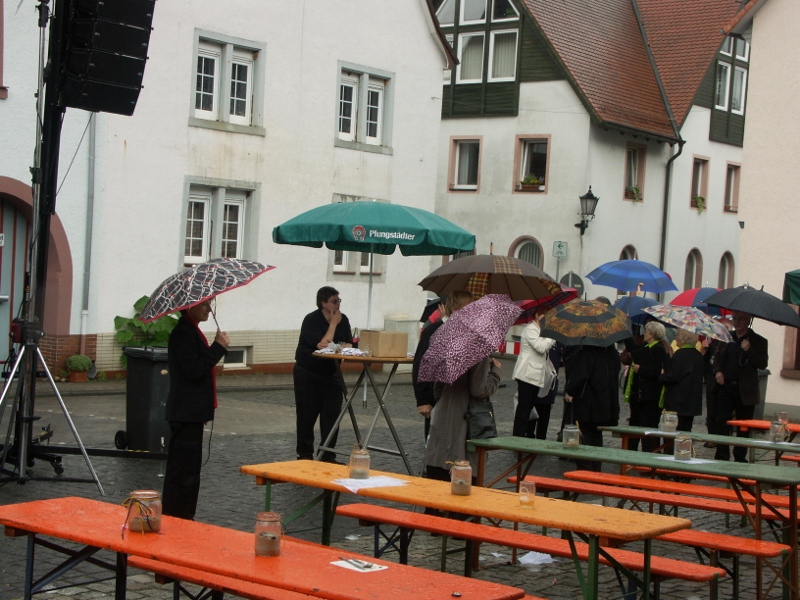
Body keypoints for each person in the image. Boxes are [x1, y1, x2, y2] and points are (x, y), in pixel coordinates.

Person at [162, 299, 229, 521]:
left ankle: (184, 515)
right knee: (183, 472)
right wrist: (218, 346)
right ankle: (177, 516)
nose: (208, 309)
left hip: (192, 412)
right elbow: (195, 370)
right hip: (185, 413)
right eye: (204, 305)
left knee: (189, 471)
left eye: (209, 304)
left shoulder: (191, 331)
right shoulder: (183, 333)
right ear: (189, 307)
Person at [293, 286, 353, 462]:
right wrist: (333, 324)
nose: (338, 304)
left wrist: (337, 344)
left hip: (331, 372)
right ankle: (304, 454)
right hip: (308, 372)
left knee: (332, 415)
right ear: (323, 303)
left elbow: (348, 344)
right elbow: (323, 344)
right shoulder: (312, 320)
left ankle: (328, 454)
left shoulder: (344, 319)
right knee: (307, 414)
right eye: (334, 301)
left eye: (339, 300)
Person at [424, 356, 502, 482]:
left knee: (438, 468)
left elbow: (437, 390)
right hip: (467, 418)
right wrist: (496, 372)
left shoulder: (450, 352)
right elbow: (479, 390)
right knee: (463, 470)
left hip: (443, 413)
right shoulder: (479, 355)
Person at [412, 291, 474, 442]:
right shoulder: (433, 331)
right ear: (455, 310)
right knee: (436, 445)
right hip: (436, 400)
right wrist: (422, 401)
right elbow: (420, 365)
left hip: (460, 402)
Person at [711, 311, 769, 462]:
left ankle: (740, 457)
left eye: (740, 319)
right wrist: (717, 371)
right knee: (721, 421)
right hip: (726, 386)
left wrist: (749, 349)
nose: (736, 322)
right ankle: (722, 455)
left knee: (744, 425)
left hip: (745, 391)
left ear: (748, 320)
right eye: (734, 319)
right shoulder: (727, 337)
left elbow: (762, 363)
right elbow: (717, 357)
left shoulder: (759, 341)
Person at [563, 343, 621, 471]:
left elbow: (580, 376)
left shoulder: (587, 353)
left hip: (588, 403)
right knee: (596, 435)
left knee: (586, 435)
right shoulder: (612, 353)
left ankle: (586, 468)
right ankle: (596, 467)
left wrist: (570, 391)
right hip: (605, 403)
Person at [512, 308, 556, 438]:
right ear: (537, 315)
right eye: (545, 316)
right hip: (527, 374)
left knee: (529, 406)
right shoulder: (530, 329)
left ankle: (523, 434)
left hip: (535, 375)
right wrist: (552, 336)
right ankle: (518, 436)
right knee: (524, 408)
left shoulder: (540, 330)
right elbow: (541, 347)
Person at [626, 321, 669, 451]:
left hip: (650, 396)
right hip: (639, 395)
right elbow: (635, 351)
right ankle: (630, 453)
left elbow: (658, 371)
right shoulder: (646, 346)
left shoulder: (658, 349)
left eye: (645, 331)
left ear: (651, 334)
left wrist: (642, 370)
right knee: (635, 425)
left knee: (648, 427)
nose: (643, 334)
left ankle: (648, 455)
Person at [660, 329, 704, 433]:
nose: (676, 338)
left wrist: (660, 376)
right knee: (686, 431)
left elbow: (672, 376)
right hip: (692, 401)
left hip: (678, 401)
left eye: (678, 336)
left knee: (675, 432)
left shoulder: (680, 354)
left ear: (684, 340)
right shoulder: (698, 355)